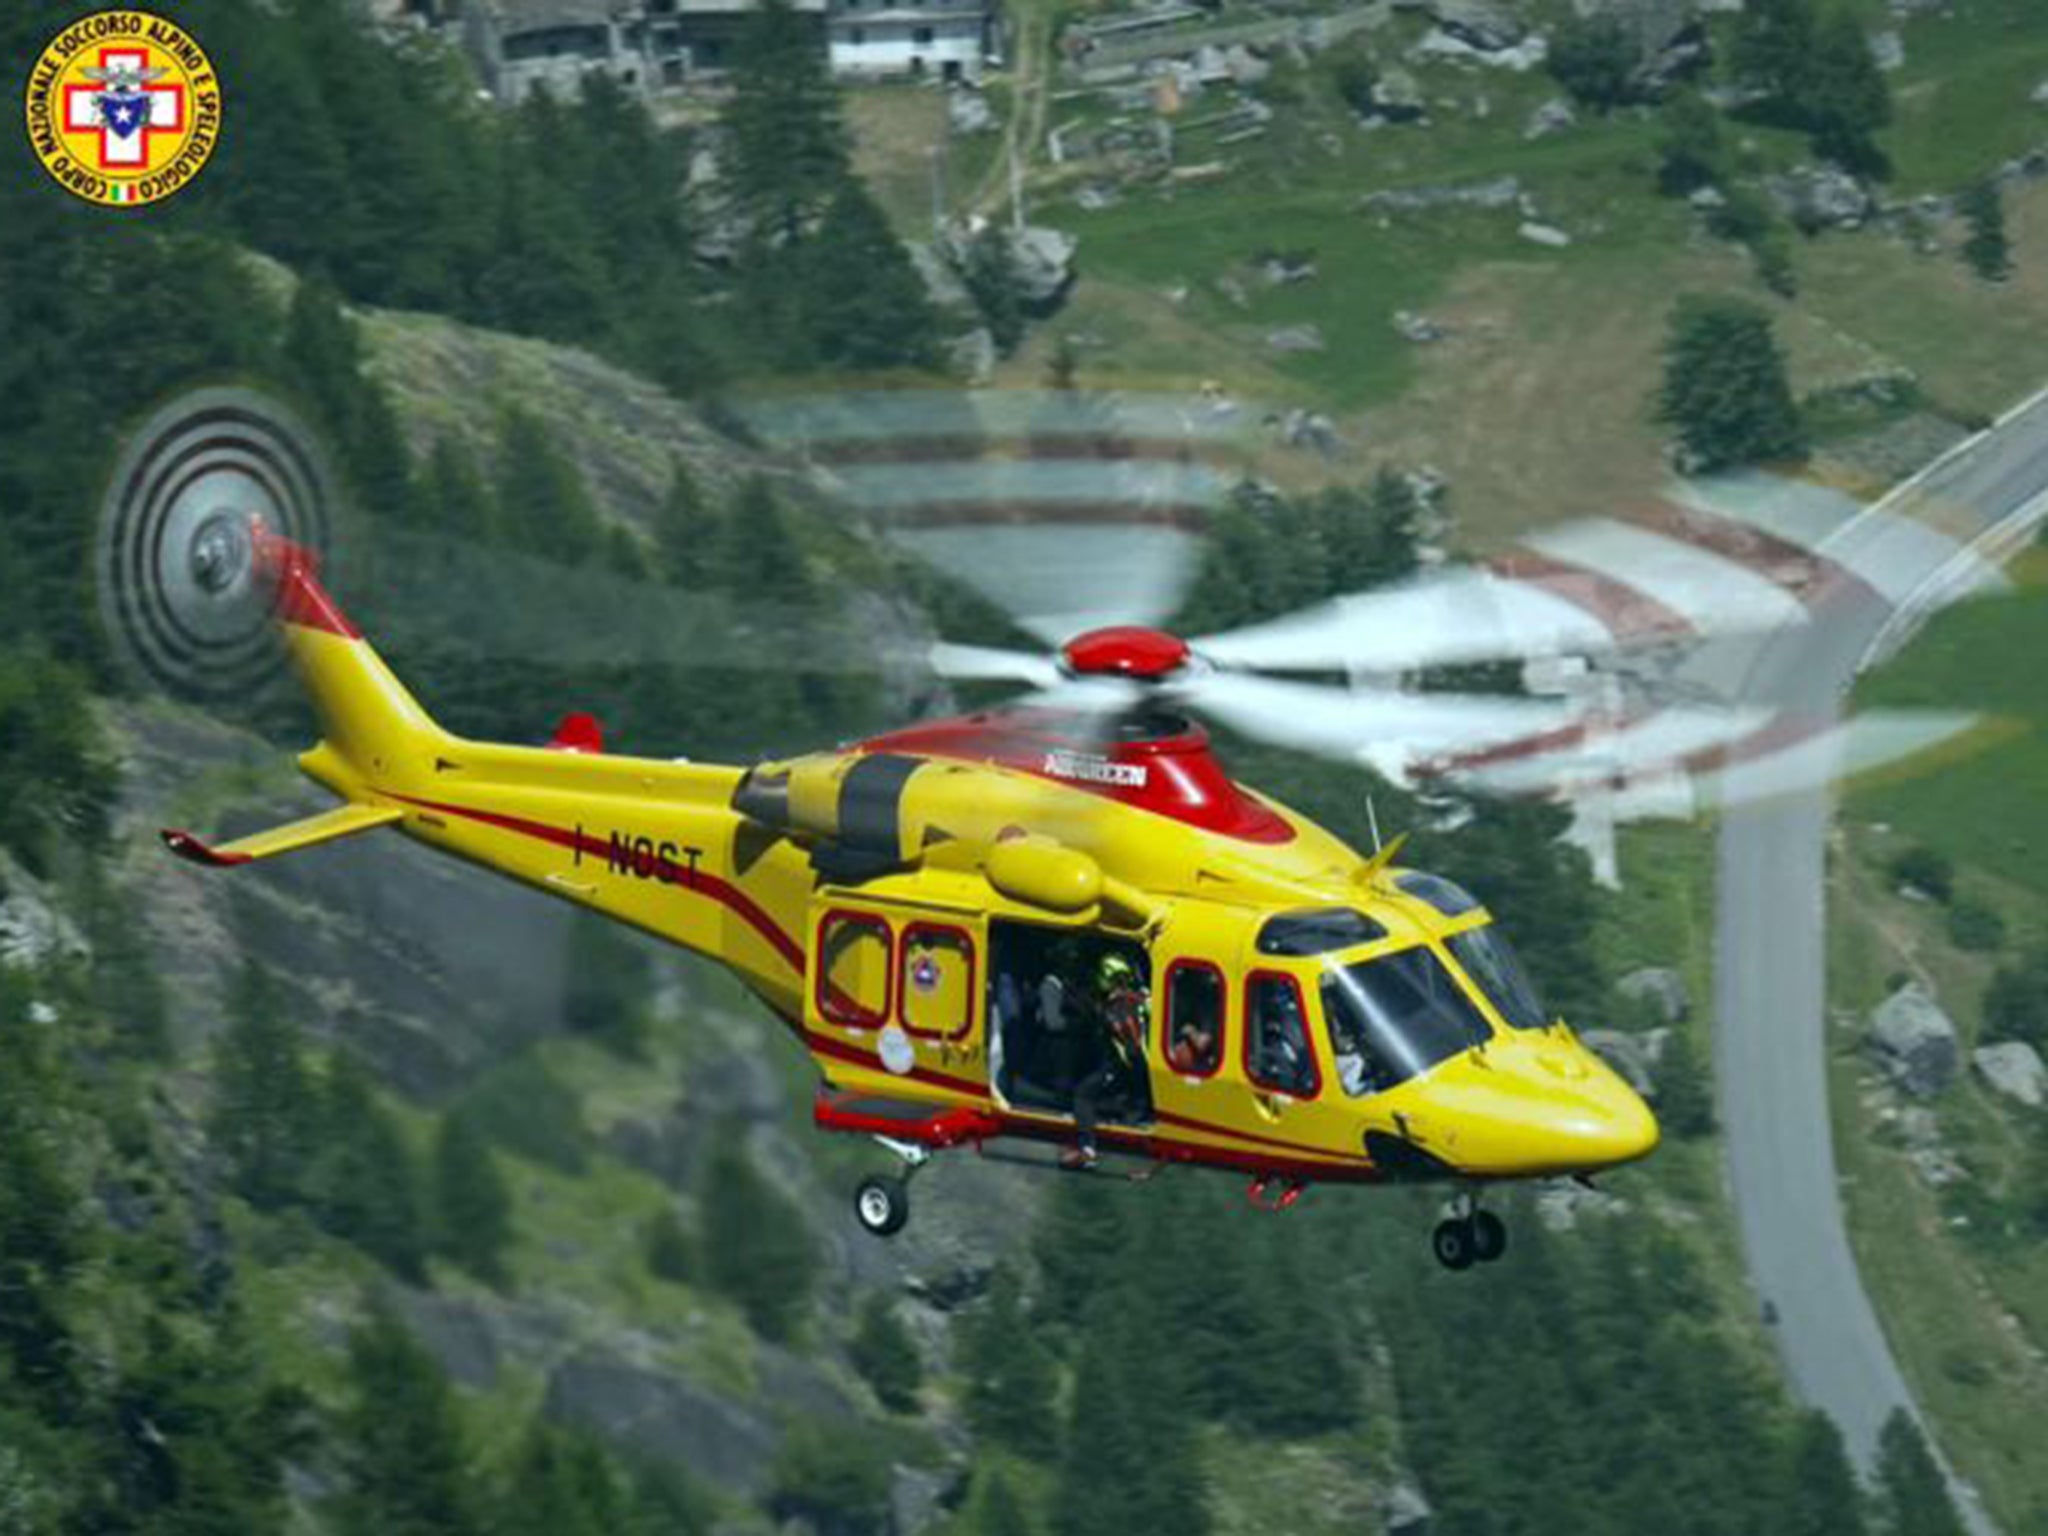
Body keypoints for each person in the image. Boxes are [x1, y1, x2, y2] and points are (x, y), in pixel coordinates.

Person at [1062, 950, 1149, 1169]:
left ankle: (1088, 1149)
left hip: (1120, 1068)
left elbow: (1132, 1047)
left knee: (1082, 1095)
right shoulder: (1140, 1000)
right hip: (1134, 1072)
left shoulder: (1116, 1008)